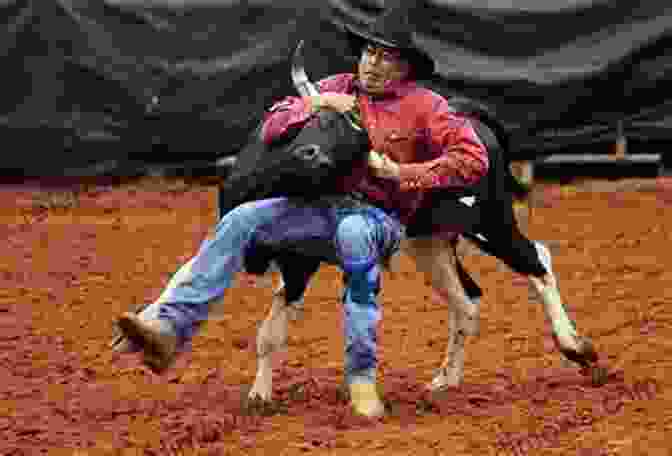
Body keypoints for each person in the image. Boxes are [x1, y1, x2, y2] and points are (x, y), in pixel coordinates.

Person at [114, 6, 488, 418]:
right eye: (368, 52)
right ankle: (170, 329)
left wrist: (402, 171)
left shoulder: (426, 106)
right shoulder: (335, 86)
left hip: (378, 218)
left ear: (405, 68)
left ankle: (362, 377)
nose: (373, 63)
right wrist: (317, 104)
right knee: (240, 219)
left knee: (354, 234)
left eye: (386, 57)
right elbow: (272, 127)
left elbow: (473, 159)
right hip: (314, 209)